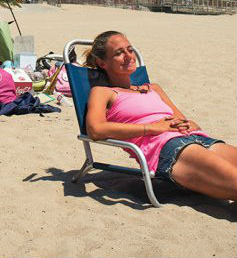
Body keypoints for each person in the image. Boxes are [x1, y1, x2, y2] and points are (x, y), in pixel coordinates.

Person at [85, 30, 237, 201]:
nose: (128, 56)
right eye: (119, 53)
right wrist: (151, 128)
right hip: (169, 148)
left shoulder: (153, 88)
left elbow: (182, 119)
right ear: (102, 63)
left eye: (130, 49)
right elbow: (95, 130)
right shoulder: (103, 92)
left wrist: (189, 123)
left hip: (198, 139)